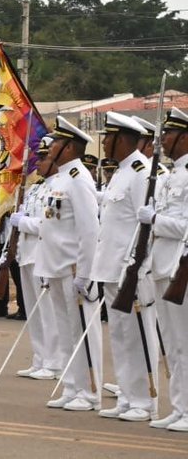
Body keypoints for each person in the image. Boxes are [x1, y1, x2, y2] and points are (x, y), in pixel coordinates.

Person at [92, 112, 158, 421]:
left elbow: (144, 227)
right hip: (111, 267)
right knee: (119, 335)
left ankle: (144, 401)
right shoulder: (120, 173)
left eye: (108, 137)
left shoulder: (141, 172)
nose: (104, 142)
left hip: (130, 269)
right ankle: (127, 395)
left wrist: (136, 268)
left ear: (122, 141)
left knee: (138, 336)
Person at [36, 116, 103, 412]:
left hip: (73, 268)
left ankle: (89, 392)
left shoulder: (80, 179)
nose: (52, 146)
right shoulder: (61, 177)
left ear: (70, 147)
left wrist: (86, 273)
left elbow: (89, 230)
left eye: (58, 142)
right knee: (66, 333)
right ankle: (72, 386)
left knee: (82, 333)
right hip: (55, 266)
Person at [145, 107, 188, 430]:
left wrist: (156, 220)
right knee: (171, 343)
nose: (163, 140)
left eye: (169, 135)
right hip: (161, 265)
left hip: (180, 266)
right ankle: (178, 407)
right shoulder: (169, 175)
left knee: (185, 342)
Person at [6, 135, 61, 381]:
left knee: (48, 313)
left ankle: (53, 362)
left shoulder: (58, 187)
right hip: (27, 255)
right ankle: (39, 358)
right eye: (38, 157)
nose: (38, 162)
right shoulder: (37, 187)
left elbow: (49, 225)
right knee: (33, 312)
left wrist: (24, 222)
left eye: (44, 157)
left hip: (44, 256)